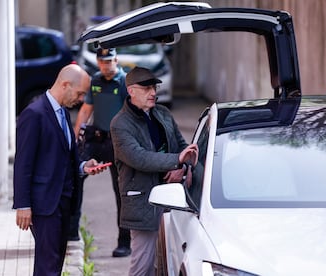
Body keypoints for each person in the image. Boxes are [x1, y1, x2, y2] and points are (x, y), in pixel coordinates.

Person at [13, 64, 107, 276]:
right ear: (65, 85)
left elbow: (63, 155)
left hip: (63, 201)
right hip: (45, 203)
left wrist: (83, 167)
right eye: (80, 93)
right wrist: (23, 205)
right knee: (48, 266)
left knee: (54, 263)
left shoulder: (63, 112)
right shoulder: (33, 114)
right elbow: (23, 163)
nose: (82, 99)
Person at [110, 66, 199, 276]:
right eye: (146, 88)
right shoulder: (120, 124)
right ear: (131, 91)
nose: (153, 93)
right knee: (143, 266)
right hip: (144, 201)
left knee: (170, 262)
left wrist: (182, 167)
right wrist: (176, 160)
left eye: (154, 88)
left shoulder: (163, 113)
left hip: (173, 198)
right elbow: (138, 158)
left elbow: (181, 147)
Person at [71, 47, 132, 257]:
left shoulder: (124, 82)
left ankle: (124, 242)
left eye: (109, 61)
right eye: (102, 62)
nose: (106, 66)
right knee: (75, 177)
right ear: (98, 62)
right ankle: (71, 232)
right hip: (96, 140)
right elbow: (86, 111)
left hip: (117, 143)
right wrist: (74, 141)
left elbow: (131, 113)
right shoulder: (95, 81)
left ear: (116, 59)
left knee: (121, 193)